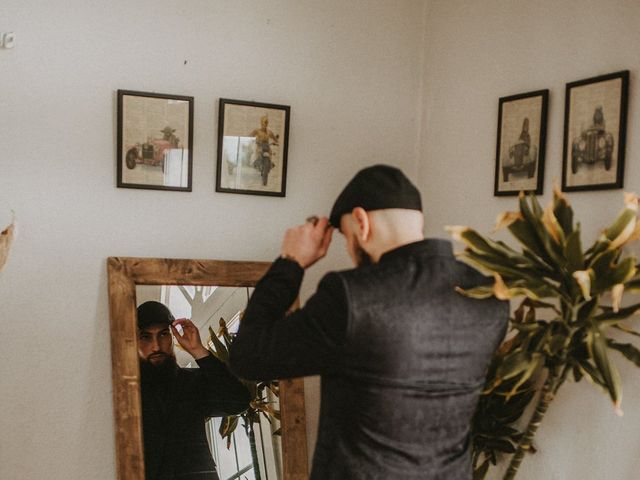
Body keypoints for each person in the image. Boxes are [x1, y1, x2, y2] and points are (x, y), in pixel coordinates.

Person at [229, 165, 508, 480]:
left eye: (347, 237)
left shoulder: (351, 296)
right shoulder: (490, 295)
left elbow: (247, 357)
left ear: (361, 222)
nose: (349, 251)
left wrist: (291, 263)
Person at [137, 301, 251, 480]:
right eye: (145, 337)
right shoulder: (127, 395)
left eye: (163, 334)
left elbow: (238, 402)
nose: (156, 346)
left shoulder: (193, 382)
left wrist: (198, 350)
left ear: (173, 336)